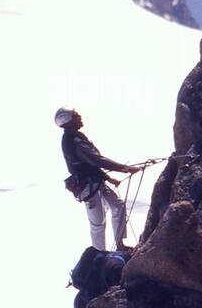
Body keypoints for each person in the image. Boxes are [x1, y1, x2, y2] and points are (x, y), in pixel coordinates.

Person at [55, 107, 141, 251]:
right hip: (88, 186)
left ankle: (119, 245)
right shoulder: (74, 140)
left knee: (118, 206)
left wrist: (108, 178)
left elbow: (90, 164)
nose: (80, 116)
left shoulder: (75, 136)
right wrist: (124, 168)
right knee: (98, 223)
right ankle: (99, 253)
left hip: (95, 182)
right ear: (68, 120)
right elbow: (96, 160)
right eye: (76, 115)